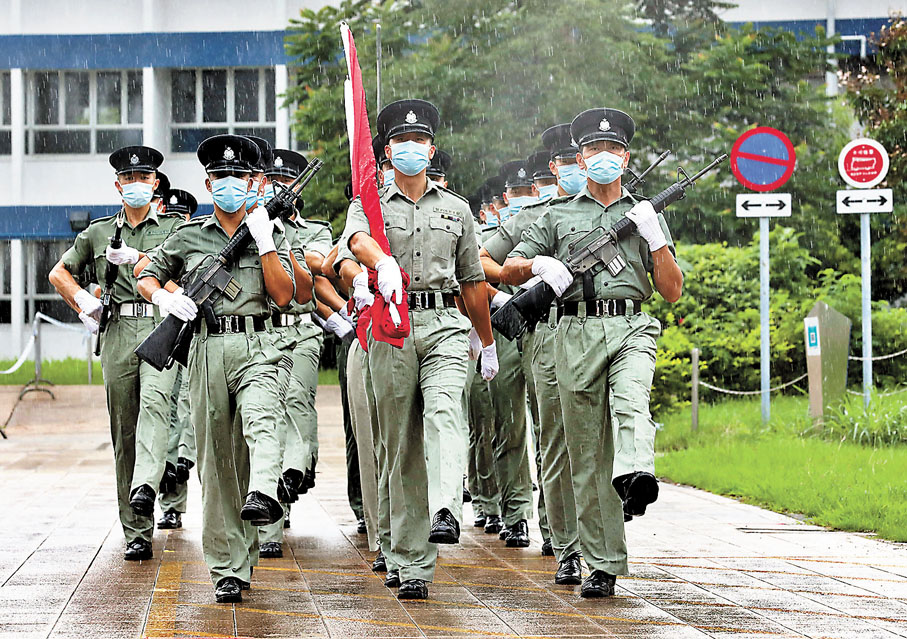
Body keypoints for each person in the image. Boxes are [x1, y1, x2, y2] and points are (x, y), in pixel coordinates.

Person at [501, 108, 683, 597]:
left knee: (631, 402)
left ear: (626, 157)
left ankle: (635, 474)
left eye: (613, 149)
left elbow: (671, 291)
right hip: (575, 331)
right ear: (580, 158)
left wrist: (656, 238)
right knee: (584, 454)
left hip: (631, 326)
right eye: (594, 150)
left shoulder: (646, 214)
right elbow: (508, 264)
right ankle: (597, 559)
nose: (604, 157)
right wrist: (540, 264)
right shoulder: (558, 215)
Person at [340, 98, 497, 600]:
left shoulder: (456, 209)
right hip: (391, 324)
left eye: (419, 141)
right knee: (400, 442)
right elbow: (354, 247)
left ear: (432, 148)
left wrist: (485, 339)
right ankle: (409, 562)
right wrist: (382, 264)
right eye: (401, 142)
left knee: (447, 412)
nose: (412, 148)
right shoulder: (368, 201)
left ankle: (446, 506)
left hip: (445, 322)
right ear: (387, 152)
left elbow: (472, 280)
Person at [136, 134, 296, 603]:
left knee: (263, 424)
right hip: (206, 347)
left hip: (258, 343)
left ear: (254, 183)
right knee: (216, 461)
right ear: (209, 184)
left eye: (239, 177)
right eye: (221, 177)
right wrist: (165, 296)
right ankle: (229, 566)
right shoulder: (189, 236)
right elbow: (145, 273)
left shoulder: (271, 230)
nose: (230, 183)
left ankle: (267, 492)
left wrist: (265, 242)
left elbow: (285, 295)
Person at [48, 145, 182, 561]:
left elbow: (190, 274)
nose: (136, 185)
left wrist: (142, 259)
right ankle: (137, 530)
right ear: (118, 185)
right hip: (119, 330)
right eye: (129, 179)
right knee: (124, 430)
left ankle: (146, 482)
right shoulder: (98, 232)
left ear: (155, 183)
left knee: (157, 407)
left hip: (161, 325)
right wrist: (83, 303)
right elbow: (59, 272)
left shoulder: (176, 229)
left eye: (144, 178)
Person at [480, 124, 584, 584]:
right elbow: (479, 261)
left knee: (561, 433)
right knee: (523, 427)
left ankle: (567, 532)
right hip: (524, 330)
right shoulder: (533, 217)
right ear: (560, 167)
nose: (529, 192)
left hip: (573, 331)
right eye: (562, 162)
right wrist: (508, 292)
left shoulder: (608, 212)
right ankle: (528, 516)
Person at [156, 188, 199, 531]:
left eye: (179, 216)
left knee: (188, 408)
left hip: (196, 338)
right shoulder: (165, 249)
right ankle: (170, 501)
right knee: (167, 411)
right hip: (166, 338)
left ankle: (184, 458)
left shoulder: (195, 243)